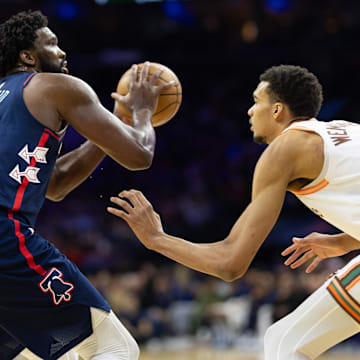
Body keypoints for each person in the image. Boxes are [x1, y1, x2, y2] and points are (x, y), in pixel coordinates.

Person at [108, 64, 360, 359]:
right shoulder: (344, 131)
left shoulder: (284, 150)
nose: (250, 111)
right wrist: (344, 241)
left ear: (277, 110)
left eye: (257, 101)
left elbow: (230, 263)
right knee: (284, 341)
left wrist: (156, 239)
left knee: (286, 343)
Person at [0, 10, 173, 360]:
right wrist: (140, 113)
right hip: (6, 240)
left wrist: (110, 129)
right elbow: (140, 154)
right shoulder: (56, 86)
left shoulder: (9, 101)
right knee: (116, 348)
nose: (62, 52)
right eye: (52, 43)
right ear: (27, 56)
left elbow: (55, 184)